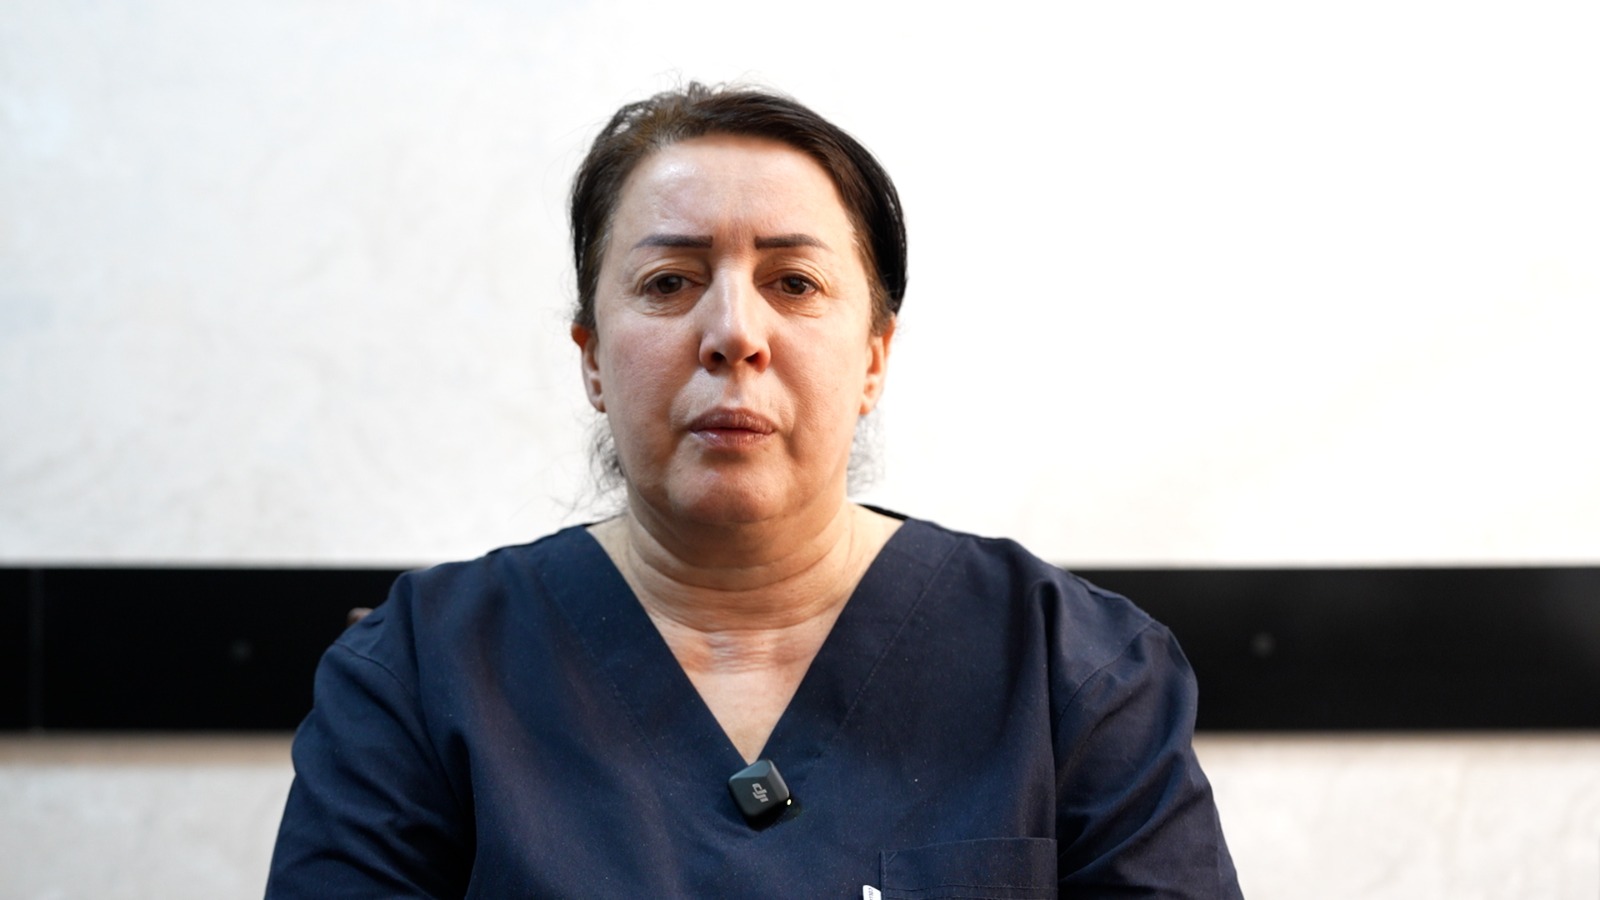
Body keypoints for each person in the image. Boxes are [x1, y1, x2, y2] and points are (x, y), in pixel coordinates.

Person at [267, 83, 1242, 898]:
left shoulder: (1074, 670)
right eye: (668, 282)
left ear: (873, 358)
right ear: (593, 359)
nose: (734, 332)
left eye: (794, 283)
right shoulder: (417, 675)